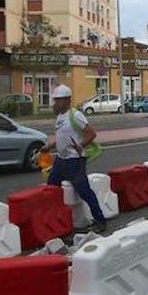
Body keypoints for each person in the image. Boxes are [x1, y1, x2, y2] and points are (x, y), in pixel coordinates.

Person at [41, 84, 107, 232]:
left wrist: (81, 145)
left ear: (67, 100)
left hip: (74, 161)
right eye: (55, 100)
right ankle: (56, 221)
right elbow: (62, 138)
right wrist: (49, 146)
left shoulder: (75, 115)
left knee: (84, 191)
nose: (55, 103)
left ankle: (100, 220)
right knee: (51, 189)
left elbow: (91, 134)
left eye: (58, 100)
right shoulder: (59, 117)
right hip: (60, 160)